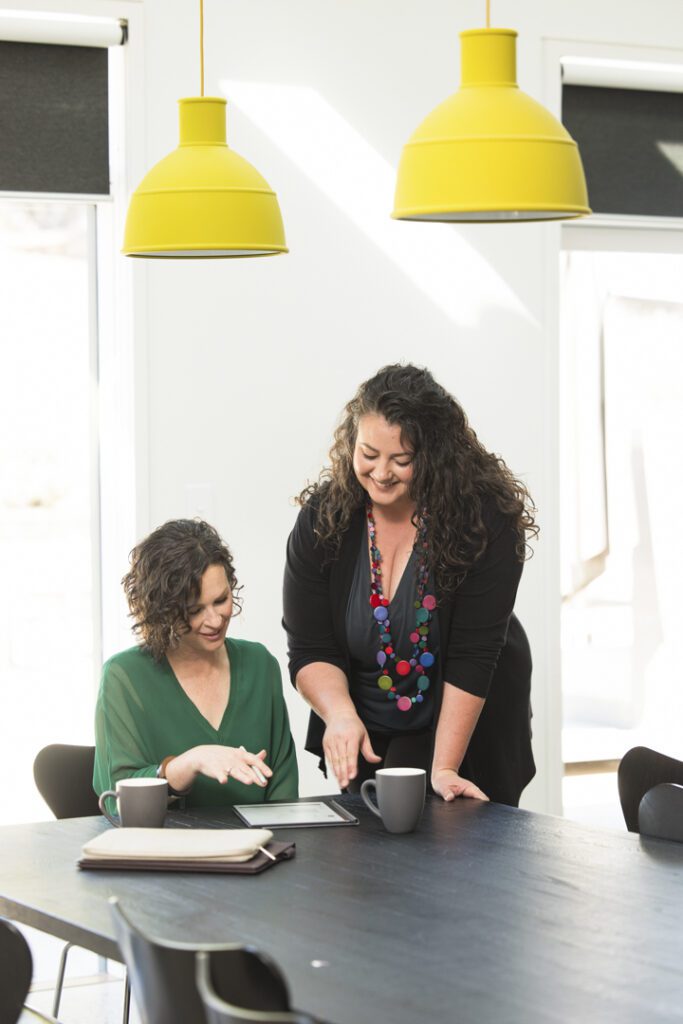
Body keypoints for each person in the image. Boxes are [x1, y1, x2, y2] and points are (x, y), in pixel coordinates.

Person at [283, 364, 537, 807]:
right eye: (368, 454)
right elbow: (309, 646)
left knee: (452, 845)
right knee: (368, 845)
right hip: (363, 718)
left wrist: (444, 767)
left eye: (401, 460)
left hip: (464, 714)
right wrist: (340, 716)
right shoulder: (325, 520)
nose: (381, 473)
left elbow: (472, 654)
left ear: (435, 456)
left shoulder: (485, 519)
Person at [94, 519, 298, 807]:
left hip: (261, 847)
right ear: (161, 611)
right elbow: (117, 800)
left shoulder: (259, 664)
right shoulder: (123, 676)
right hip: (167, 850)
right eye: (194, 610)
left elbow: (284, 792)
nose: (215, 621)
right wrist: (188, 763)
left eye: (221, 600)